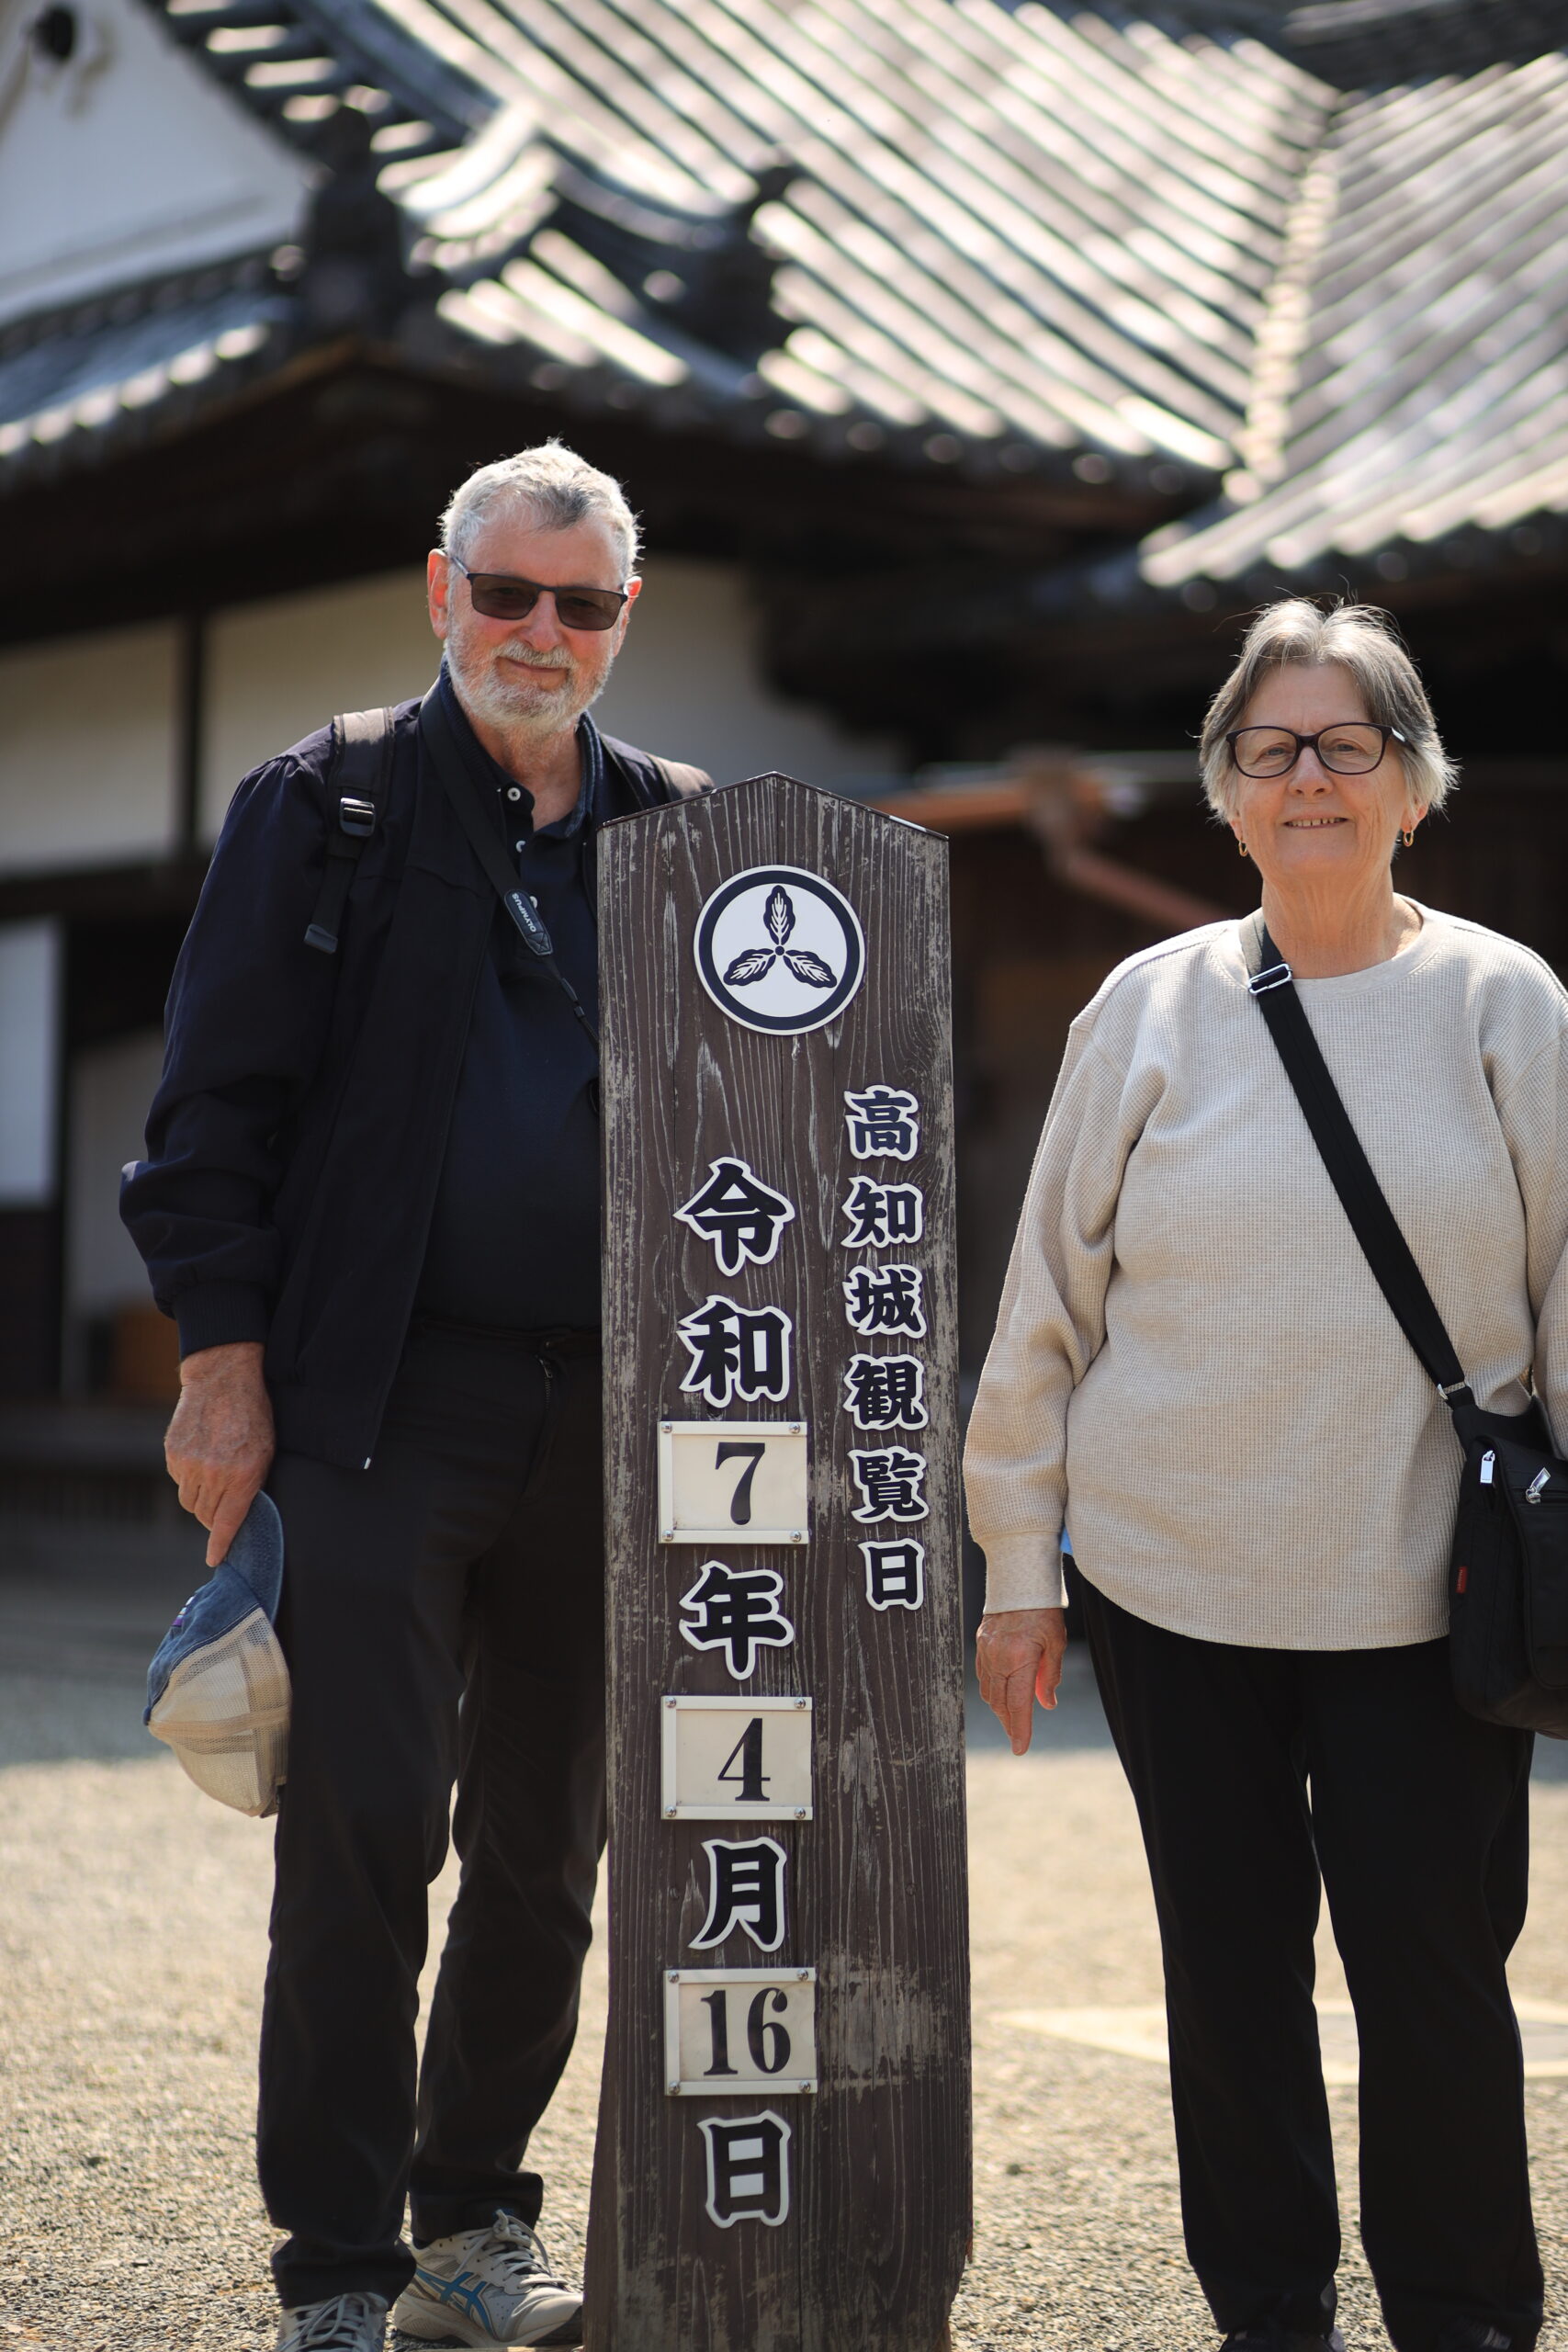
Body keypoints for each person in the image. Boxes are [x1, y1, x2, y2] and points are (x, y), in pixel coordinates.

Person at [122, 442, 711, 2352]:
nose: (539, 630)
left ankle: (472, 2218)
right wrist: (223, 1368)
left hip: (609, 1408)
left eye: (582, 602)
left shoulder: (686, 836)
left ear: (627, 620)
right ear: (438, 588)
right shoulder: (329, 801)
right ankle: (336, 2261)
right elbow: (210, 1112)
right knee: (369, 1818)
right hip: (379, 1393)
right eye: (507, 591)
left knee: (553, 1838)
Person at [964, 599, 1563, 2352]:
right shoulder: (1149, 1008)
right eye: (1272, 749)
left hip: (1424, 1589)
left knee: (1435, 1981)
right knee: (1230, 1989)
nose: (1311, 780)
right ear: (1225, 793)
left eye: (1350, 746)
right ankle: (1271, 2316)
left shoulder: (1502, 1004)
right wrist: (1020, 1560)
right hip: (1176, 1583)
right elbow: (1046, 1306)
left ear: (1414, 786)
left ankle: (1463, 2317)